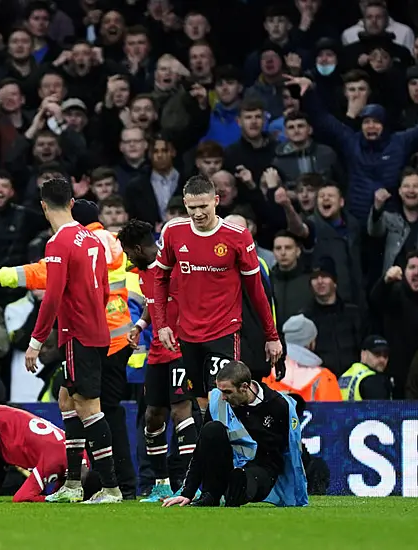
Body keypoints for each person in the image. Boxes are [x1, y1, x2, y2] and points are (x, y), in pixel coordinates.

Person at [23, 177, 121, 504]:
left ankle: (110, 488)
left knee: (88, 408)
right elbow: (105, 289)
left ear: (43, 206)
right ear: (71, 203)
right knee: (67, 401)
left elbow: (50, 297)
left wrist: (36, 342)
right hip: (93, 331)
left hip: (78, 334)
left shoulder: (58, 244)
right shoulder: (93, 240)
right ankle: (73, 484)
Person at [151, 175, 282, 416]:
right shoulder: (174, 232)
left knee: (220, 398)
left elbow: (256, 291)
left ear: (216, 201)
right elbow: (159, 280)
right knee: (201, 405)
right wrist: (161, 325)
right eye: (192, 208)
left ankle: (235, 452)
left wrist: (271, 336)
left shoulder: (237, 236)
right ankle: (211, 451)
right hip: (188, 333)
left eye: (203, 206)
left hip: (224, 331)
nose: (198, 213)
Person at [163, 361, 308, 508]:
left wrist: (298, 494)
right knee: (211, 429)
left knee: (241, 479)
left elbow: (291, 454)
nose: (223, 397)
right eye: (220, 391)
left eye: (227, 392)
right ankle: (211, 495)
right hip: (229, 463)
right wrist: (187, 493)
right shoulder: (217, 400)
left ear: (245, 387)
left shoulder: (278, 406)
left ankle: (234, 493)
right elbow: (201, 450)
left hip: (262, 470)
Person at [118, 219, 187, 503]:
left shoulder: (173, 268)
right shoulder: (143, 272)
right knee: (153, 416)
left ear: (137, 248)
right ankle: (161, 485)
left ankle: (188, 482)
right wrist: (140, 326)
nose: (126, 258)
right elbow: (151, 303)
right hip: (157, 354)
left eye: (127, 252)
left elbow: (191, 302)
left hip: (181, 350)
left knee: (181, 414)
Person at [338, 335, 393, 400]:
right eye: (377, 354)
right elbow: (381, 409)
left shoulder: (344, 376)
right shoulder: (374, 380)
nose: (382, 359)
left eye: (385, 355)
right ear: (363, 354)